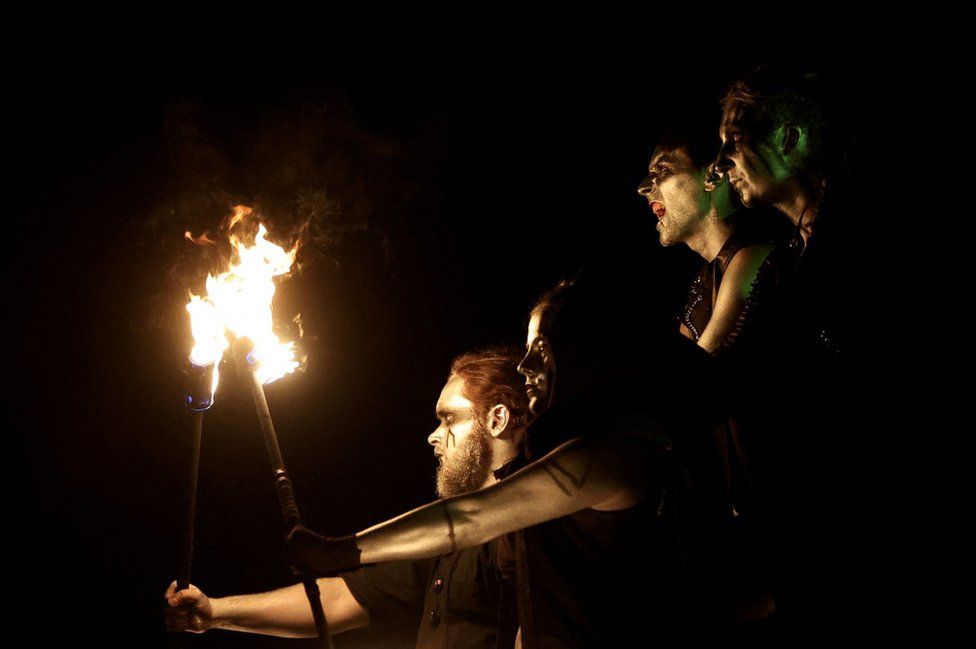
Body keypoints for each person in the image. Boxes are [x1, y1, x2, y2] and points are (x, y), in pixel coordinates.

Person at [287, 274, 723, 648]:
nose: (529, 363)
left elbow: (475, 516)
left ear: (587, 353)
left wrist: (341, 550)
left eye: (543, 345)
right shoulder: (557, 465)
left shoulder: (616, 454)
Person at [165, 346, 529, 649]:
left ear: (497, 419)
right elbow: (340, 600)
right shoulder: (444, 543)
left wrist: (333, 550)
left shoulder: (537, 522)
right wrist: (215, 611)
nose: (433, 436)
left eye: (450, 419)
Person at [637, 124, 782, 352]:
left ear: (712, 177)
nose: (643, 187)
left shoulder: (750, 258)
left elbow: (700, 372)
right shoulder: (704, 280)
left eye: (662, 169)